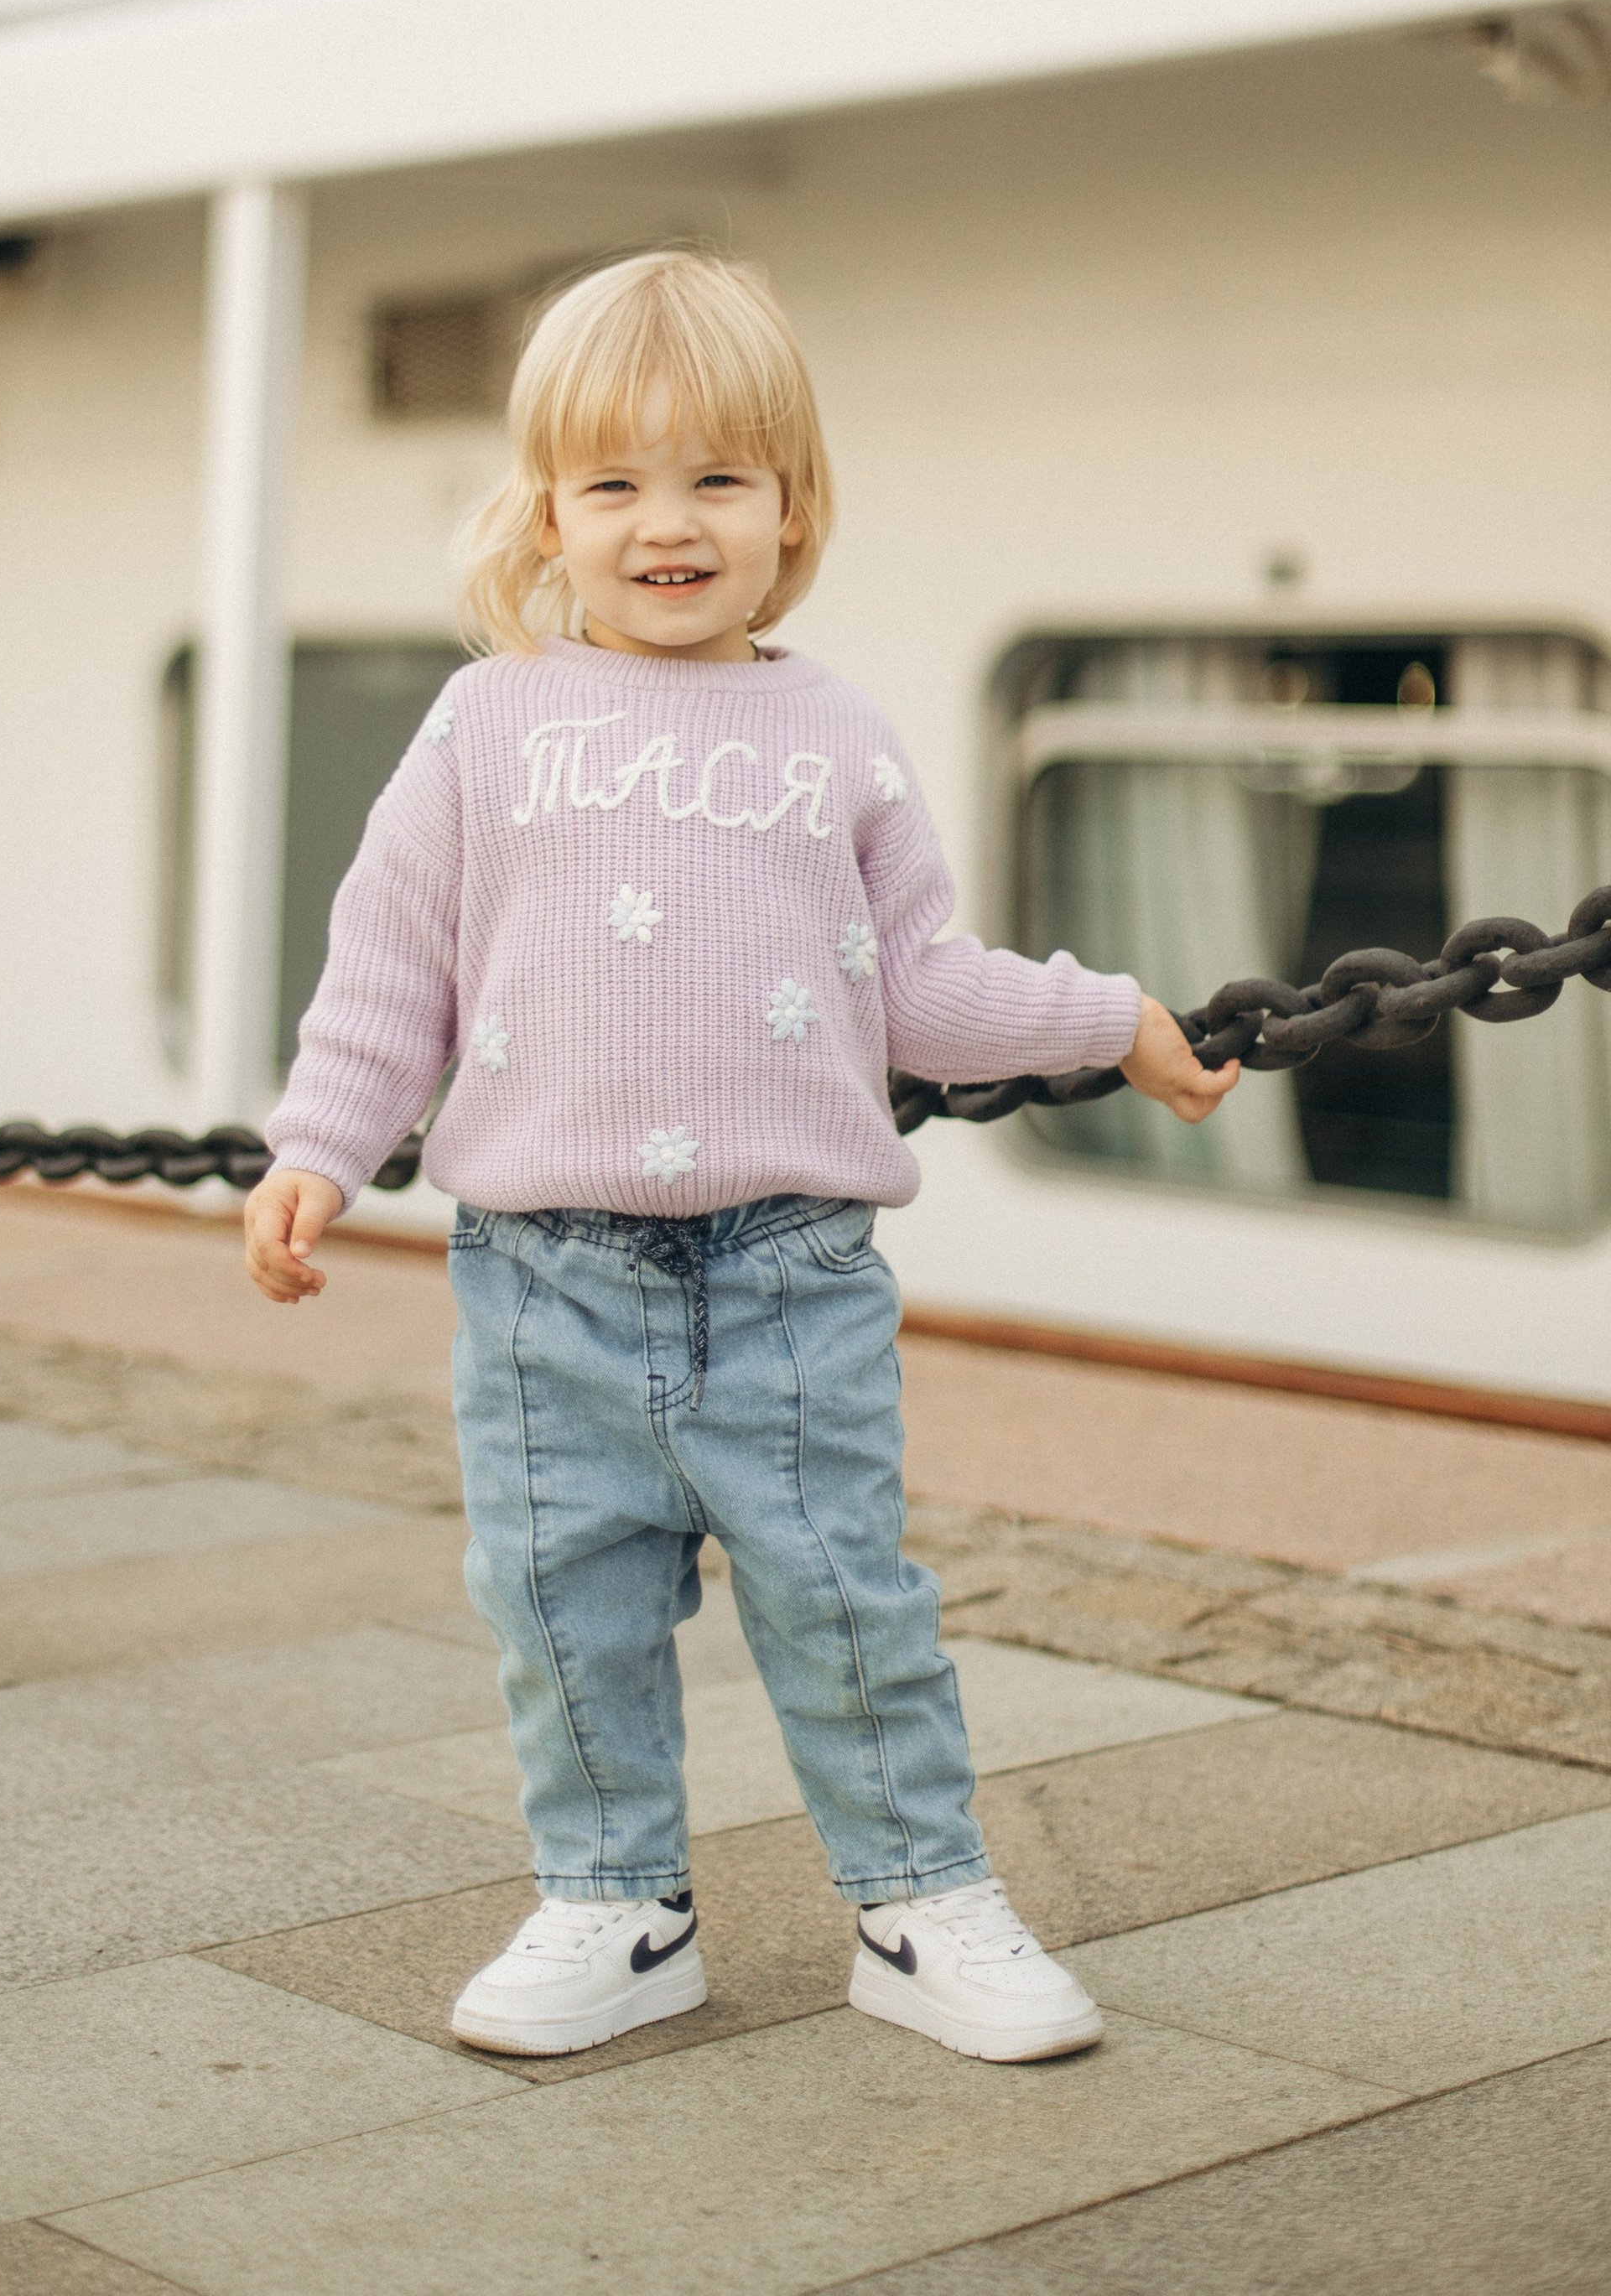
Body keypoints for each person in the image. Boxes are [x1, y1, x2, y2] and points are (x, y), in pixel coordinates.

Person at [245, 251, 1237, 2065]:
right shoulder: (487, 723)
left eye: (714, 478)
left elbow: (920, 987)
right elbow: (392, 959)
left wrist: (1107, 1018)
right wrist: (319, 1141)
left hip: (789, 1272)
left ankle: (919, 1898)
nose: (664, 525)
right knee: (561, 1604)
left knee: (845, 1595)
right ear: (547, 509)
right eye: (611, 483)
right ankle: (611, 1904)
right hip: (539, 1273)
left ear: (793, 508)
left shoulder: (836, 735)